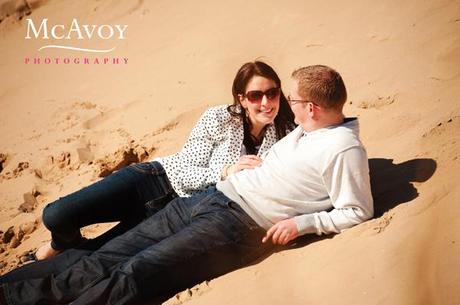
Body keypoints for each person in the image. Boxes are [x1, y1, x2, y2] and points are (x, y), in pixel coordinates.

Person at [0, 65, 374, 305]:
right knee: (104, 257)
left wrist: (302, 224)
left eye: (288, 98)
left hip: (238, 225)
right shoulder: (305, 130)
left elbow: (358, 209)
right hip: (203, 198)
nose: (282, 104)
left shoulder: (343, 148)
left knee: (134, 273)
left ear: (311, 107)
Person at [34, 61, 296, 260]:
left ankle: (60, 258)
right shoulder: (220, 118)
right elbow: (184, 171)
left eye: (272, 93)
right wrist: (226, 171)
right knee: (57, 214)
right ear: (241, 98)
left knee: (96, 254)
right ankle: (61, 243)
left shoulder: (282, 134)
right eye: (255, 96)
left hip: (178, 212)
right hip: (155, 180)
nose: (266, 102)